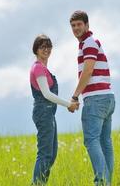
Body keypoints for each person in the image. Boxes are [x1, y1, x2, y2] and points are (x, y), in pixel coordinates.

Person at [68, 10, 116, 186]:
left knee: (91, 141)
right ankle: (107, 182)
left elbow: (87, 71)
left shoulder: (89, 43)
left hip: (96, 99)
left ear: (87, 25)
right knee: (105, 143)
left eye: (79, 24)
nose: (76, 28)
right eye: (73, 26)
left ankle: (101, 183)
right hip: (107, 98)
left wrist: (74, 96)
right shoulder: (89, 43)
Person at [30, 34, 79, 185]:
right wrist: (68, 104)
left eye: (48, 46)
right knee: (45, 154)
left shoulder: (44, 69)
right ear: (36, 50)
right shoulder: (38, 68)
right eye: (42, 47)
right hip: (43, 113)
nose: (46, 49)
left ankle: (40, 183)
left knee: (51, 155)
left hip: (49, 114)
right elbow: (47, 94)